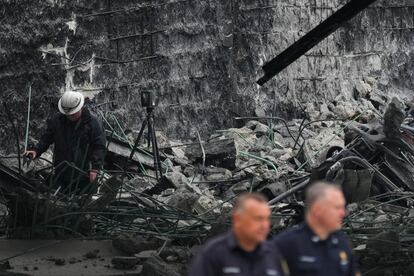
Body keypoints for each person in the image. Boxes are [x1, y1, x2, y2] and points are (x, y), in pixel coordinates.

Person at [24, 91, 106, 194]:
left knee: (81, 202)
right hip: (61, 170)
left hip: (84, 174)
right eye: (68, 114)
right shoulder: (57, 120)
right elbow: (47, 138)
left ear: (80, 108)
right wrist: (36, 150)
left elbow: (99, 147)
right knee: (55, 196)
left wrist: (95, 169)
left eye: (73, 113)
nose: (70, 116)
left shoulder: (93, 123)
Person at [189, 192, 288, 276]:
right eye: (258, 219)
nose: (264, 226)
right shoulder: (213, 253)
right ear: (238, 219)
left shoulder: (273, 256)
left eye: (267, 219)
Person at [273, 182, 360, 276]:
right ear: (318, 209)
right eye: (337, 208)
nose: (343, 213)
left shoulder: (342, 243)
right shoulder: (286, 244)